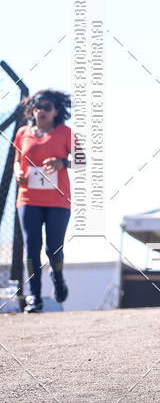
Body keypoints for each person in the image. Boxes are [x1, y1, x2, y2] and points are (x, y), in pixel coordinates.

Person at [12, 90, 75, 313]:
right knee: (32, 248)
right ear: (33, 109)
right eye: (38, 106)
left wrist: (62, 163)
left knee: (53, 248)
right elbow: (18, 161)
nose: (42, 111)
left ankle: (57, 276)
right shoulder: (23, 133)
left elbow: (82, 159)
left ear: (56, 111)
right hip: (28, 197)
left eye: (47, 107)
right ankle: (34, 297)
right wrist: (19, 172)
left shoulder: (65, 133)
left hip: (58, 200)